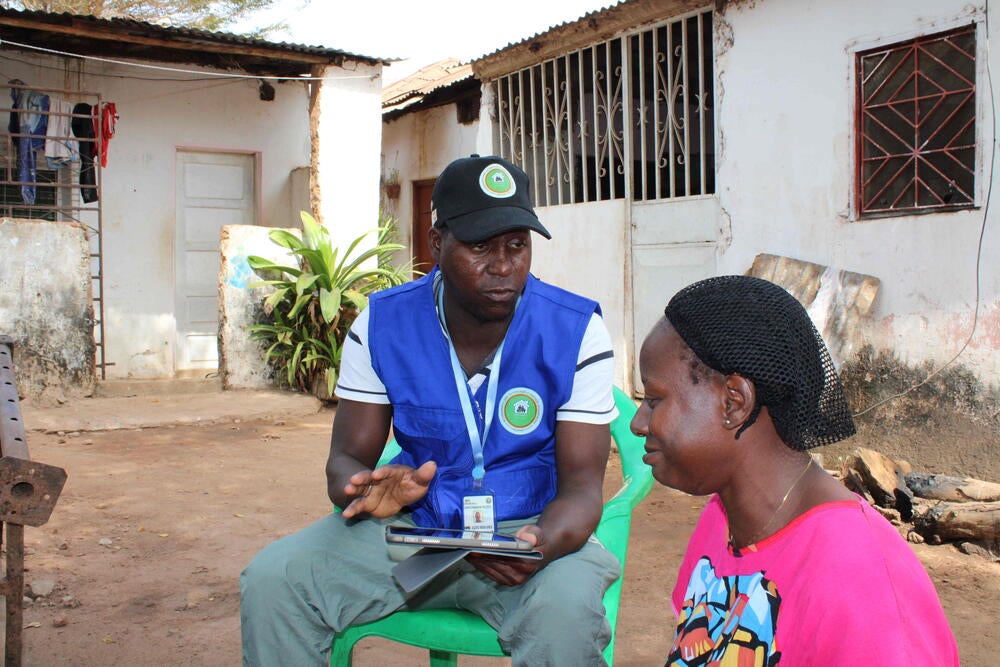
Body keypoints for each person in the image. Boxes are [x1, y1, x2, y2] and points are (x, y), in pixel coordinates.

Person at [240, 154, 621, 666]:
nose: (504, 264)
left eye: (517, 244)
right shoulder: (381, 325)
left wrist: (540, 544)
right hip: (417, 534)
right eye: (481, 246)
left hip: (533, 537)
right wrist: (365, 488)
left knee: (564, 614)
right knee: (277, 579)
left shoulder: (576, 330)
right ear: (437, 244)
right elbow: (346, 459)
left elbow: (581, 488)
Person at [630, 275, 959, 666]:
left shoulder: (863, 580)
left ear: (734, 402)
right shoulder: (720, 523)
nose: (638, 422)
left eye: (654, 399)